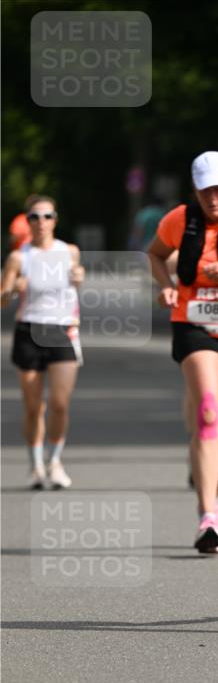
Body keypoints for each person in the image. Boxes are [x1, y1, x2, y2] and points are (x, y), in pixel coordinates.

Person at [147, 151, 218, 554]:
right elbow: (155, 253)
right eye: (204, 189)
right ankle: (207, 513)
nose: (213, 197)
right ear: (195, 189)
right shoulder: (179, 219)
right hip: (193, 324)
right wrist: (164, 285)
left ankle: (214, 493)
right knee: (208, 412)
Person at [1, 196, 84, 489]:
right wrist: (12, 289)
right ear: (27, 221)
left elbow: (76, 284)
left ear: (55, 220)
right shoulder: (19, 257)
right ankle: (36, 465)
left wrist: (80, 277)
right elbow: (2, 298)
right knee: (33, 406)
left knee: (60, 404)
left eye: (47, 216)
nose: (40, 222)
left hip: (61, 331)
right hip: (29, 331)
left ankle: (55, 461)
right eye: (34, 217)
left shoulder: (69, 252)